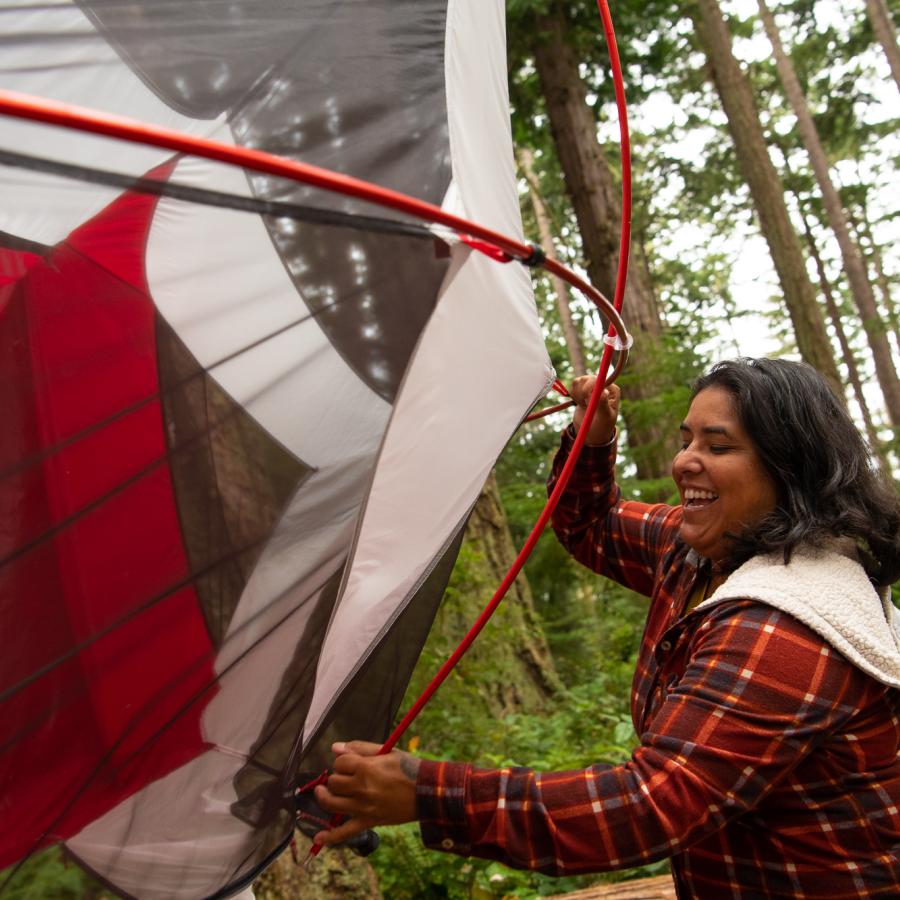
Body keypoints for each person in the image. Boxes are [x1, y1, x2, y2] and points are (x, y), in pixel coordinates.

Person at [314, 357, 900, 897]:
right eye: (686, 439)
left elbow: (647, 806)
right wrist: (592, 439)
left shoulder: (786, 623)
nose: (684, 461)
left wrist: (427, 792)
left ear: (788, 466)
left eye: (718, 446)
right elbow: (588, 525)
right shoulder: (704, 551)